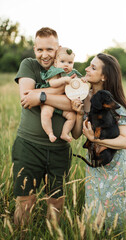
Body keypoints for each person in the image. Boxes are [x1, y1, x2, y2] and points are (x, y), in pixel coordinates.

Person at [12, 27, 75, 225]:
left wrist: (41, 96)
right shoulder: (29, 65)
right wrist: (63, 94)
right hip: (28, 145)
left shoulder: (68, 69)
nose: (44, 55)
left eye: (50, 49)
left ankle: (53, 234)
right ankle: (21, 235)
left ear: (58, 48)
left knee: (56, 201)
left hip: (59, 150)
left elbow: (76, 103)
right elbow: (26, 98)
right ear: (34, 49)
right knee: (25, 200)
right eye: (40, 50)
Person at [71, 53, 126, 230]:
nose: (86, 69)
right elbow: (77, 135)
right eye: (89, 65)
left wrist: (95, 139)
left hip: (117, 164)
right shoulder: (83, 97)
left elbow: (125, 141)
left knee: (119, 215)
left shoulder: (114, 104)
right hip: (96, 163)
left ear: (104, 76)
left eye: (93, 67)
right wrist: (78, 115)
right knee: (95, 215)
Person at [36, 47, 82, 143]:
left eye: (70, 63)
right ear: (56, 62)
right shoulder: (55, 71)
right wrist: (64, 80)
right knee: (46, 114)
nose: (66, 65)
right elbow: (52, 84)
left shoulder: (72, 73)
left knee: (72, 117)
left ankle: (64, 133)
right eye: (62, 61)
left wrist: (83, 80)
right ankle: (50, 133)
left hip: (62, 103)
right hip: (50, 100)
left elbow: (79, 82)